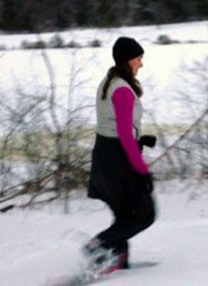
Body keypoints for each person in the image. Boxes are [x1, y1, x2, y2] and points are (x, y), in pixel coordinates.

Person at [84, 36, 156, 273]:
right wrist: (142, 170)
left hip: (105, 153)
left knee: (125, 213)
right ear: (127, 61)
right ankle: (99, 244)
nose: (141, 64)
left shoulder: (109, 81)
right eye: (138, 59)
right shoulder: (123, 90)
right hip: (118, 159)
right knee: (144, 214)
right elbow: (124, 135)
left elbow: (115, 126)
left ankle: (119, 260)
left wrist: (140, 139)